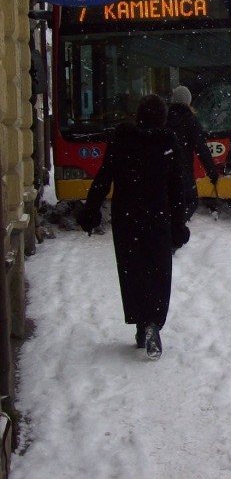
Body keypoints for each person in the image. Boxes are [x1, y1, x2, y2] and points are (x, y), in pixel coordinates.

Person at [76, 95, 189, 360]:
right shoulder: (167, 142)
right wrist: (178, 224)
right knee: (159, 271)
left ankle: (141, 323)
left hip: (127, 218)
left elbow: (104, 176)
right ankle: (152, 323)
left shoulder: (122, 138)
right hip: (157, 217)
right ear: (162, 118)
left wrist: (91, 210)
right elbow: (177, 188)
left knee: (133, 270)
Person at [167, 85, 218, 220]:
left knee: (168, 202)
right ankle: (176, 227)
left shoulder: (164, 119)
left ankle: (168, 226)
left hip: (164, 169)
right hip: (183, 170)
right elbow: (201, 149)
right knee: (190, 201)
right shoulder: (190, 121)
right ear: (188, 101)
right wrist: (212, 172)